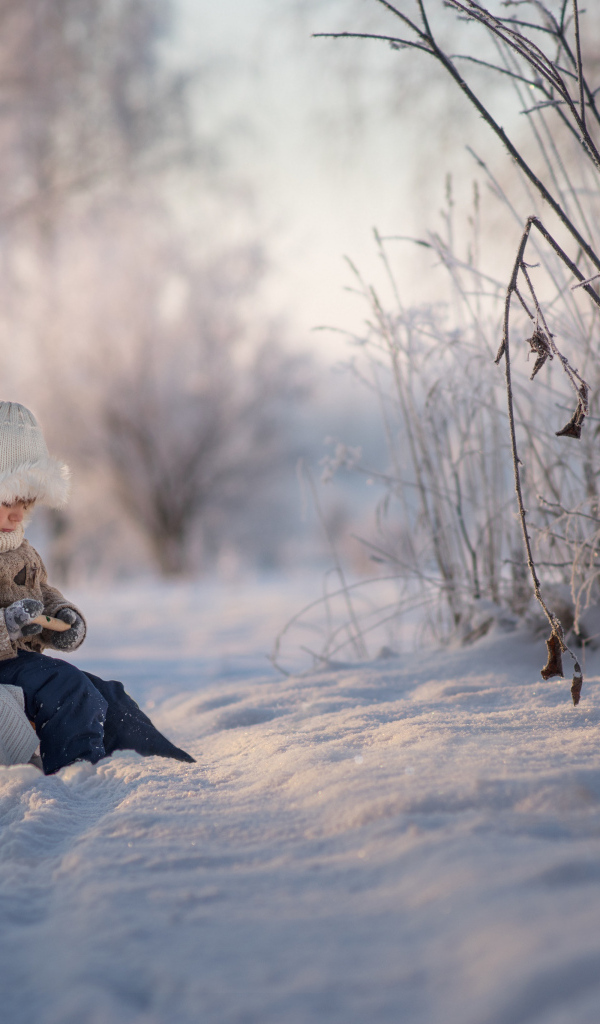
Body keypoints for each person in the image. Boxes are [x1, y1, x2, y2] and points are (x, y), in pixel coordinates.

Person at [0, 401, 195, 775]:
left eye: (25, 503)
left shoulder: (21, 548)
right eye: (7, 500)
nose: (17, 514)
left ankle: (165, 765)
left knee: (108, 695)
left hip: (22, 663)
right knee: (66, 687)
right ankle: (78, 775)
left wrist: (62, 615)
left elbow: (43, 591)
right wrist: (8, 623)